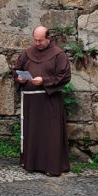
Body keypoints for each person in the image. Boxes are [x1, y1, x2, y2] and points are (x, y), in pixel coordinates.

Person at [14, 25, 71, 176]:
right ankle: (31, 163)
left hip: (49, 101)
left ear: (48, 39)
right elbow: (16, 69)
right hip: (31, 102)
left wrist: (44, 81)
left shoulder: (58, 54)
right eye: (35, 40)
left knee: (50, 134)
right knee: (32, 132)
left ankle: (51, 166)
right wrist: (19, 78)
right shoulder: (27, 53)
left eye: (40, 40)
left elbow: (64, 76)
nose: (37, 43)